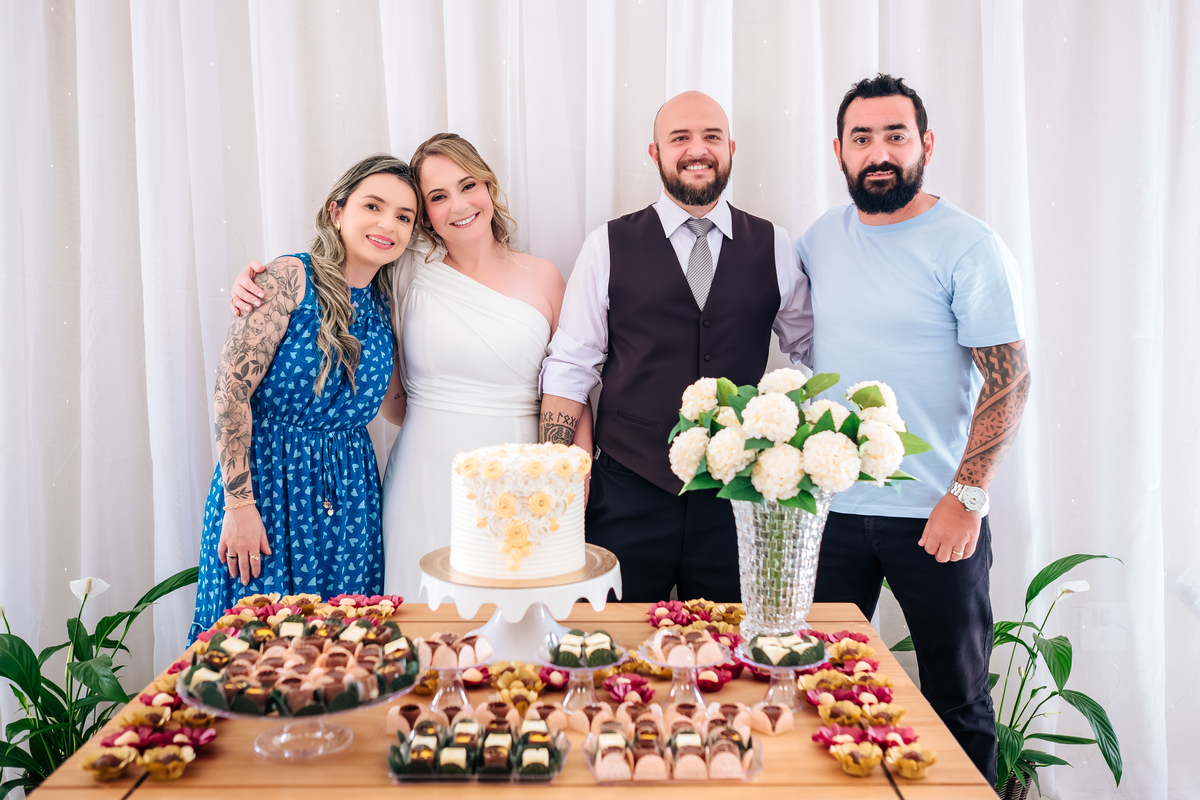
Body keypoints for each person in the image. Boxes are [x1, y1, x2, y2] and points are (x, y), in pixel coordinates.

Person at [229, 134, 588, 598]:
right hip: (424, 472)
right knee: (421, 614)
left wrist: (573, 479)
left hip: (523, 474)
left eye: (468, 185)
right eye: (438, 197)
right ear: (426, 216)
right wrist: (258, 283)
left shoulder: (546, 276)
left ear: (489, 186)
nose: (459, 204)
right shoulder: (404, 269)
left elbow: (572, 383)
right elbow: (339, 273)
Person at [796, 74, 1030, 783]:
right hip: (834, 514)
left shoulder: (967, 244)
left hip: (937, 514)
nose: (879, 153)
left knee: (957, 702)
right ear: (839, 150)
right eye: (862, 138)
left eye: (895, 136)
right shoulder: (820, 239)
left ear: (925, 144)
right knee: (828, 692)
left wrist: (968, 497)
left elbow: (1009, 380)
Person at [539, 91, 814, 603]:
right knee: (609, 638)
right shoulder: (606, 244)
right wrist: (557, 475)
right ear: (655, 153)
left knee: (730, 641)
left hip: (737, 495)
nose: (697, 149)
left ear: (730, 149)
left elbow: (811, 349)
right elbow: (571, 366)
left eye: (711, 136)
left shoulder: (775, 244)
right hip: (627, 487)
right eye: (680, 138)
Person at [191, 154, 417, 639]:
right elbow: (231, 391)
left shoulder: (384, 302)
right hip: (269, 485)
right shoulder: (288, 277)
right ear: (337, 211)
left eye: (404, 216)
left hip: (351, 493)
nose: (388, 224)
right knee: (252, 648)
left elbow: (396, 407)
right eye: (373, 206)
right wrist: (239, 505)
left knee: (342, 649)